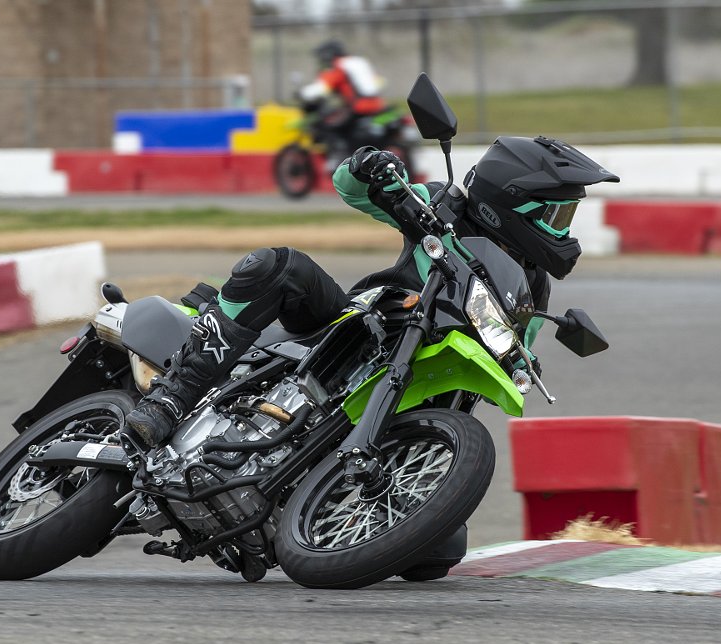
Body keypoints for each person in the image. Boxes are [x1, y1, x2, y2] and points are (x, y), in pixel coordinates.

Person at [125, 137, 619, 576]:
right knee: (278, 266)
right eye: (556, 214)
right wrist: (368, 167)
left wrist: (521, 361)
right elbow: (355, 188)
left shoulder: (534, 288)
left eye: (566, 215)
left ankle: (317, 497)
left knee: (436, 556)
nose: (564, 228)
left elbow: (512, 346)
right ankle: (172, 397)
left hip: (420, 387)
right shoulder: (445, 207)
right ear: (510, 201)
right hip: (356, 329)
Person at [298, 39, 388, 170]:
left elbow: (323, 87)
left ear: (328, 54)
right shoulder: (359, 62)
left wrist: (303, 94)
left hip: (360, 107)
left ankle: (337, 159)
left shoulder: (339, 66)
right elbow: (378, 81)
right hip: (378, 105)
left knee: (328, 124)